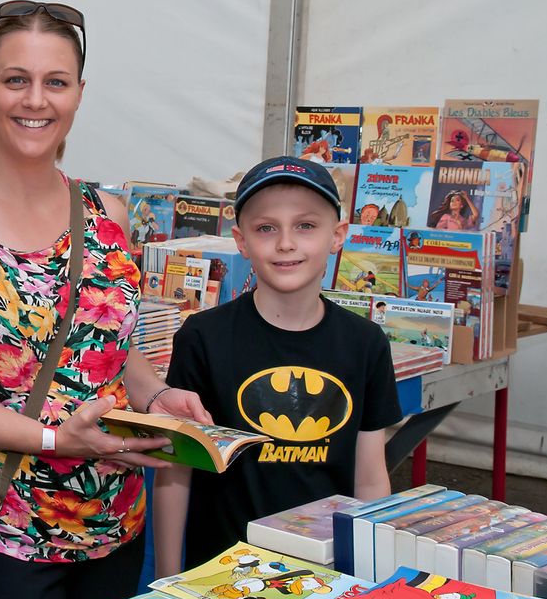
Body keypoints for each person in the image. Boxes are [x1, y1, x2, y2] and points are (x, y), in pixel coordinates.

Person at [0, 0, 211, 599]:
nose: (35, 100)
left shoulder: (105, 214)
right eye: (16, 79)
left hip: (112, 525)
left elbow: (101, 344)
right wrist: (51, 439)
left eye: (56, 82)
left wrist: (157, 395)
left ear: (79, 93)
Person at [153, 156, 402, 577]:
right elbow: (177, 470)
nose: (286, 243)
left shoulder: (365, 343)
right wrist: (166, 575)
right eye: (266, 228)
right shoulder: (204, 337)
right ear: (241, 241)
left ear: (337, 236)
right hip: (219, 571)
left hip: (327, 570)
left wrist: (372, 577)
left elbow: (371, 478)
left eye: (305, 225)